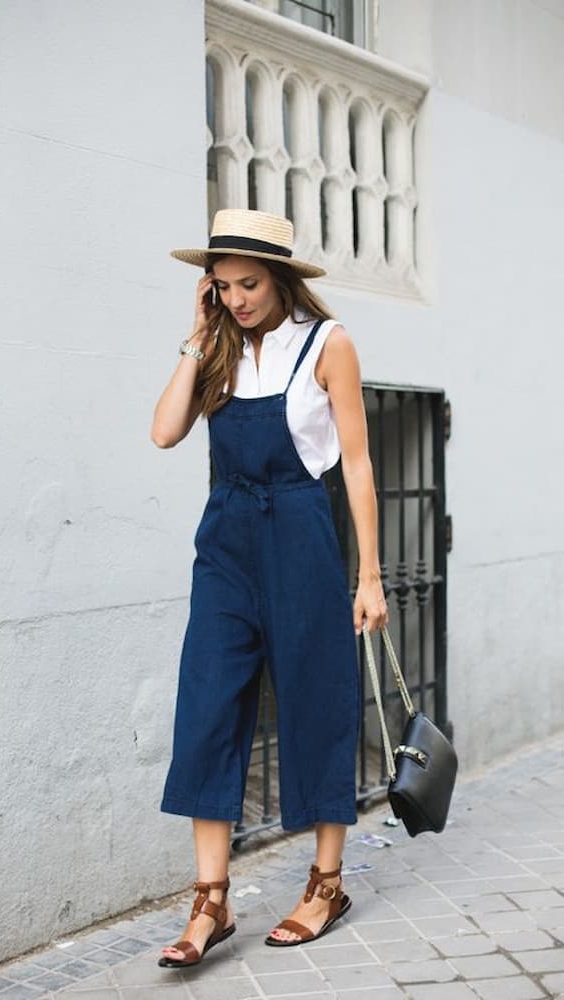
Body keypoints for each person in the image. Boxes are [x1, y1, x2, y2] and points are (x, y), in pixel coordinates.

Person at [151, 209, 388, 968]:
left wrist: (370, 576)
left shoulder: (329, 344)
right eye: (221, 287)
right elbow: (162, 432)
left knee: (316, 696)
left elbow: (355, 464)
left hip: (299, 531)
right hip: (224, 541)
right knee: (208, 699)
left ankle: (324, 882)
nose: (237, 298)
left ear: (281, 279)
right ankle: (210, 901)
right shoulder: (216, 347)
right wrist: (195, 336)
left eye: (248, 284)